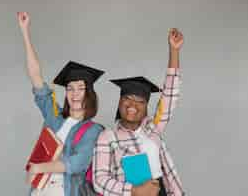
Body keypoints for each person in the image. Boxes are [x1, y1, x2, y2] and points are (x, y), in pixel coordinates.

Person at [17, 12, 104, 196]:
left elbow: (76, 164)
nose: (74, 94)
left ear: (89, 93)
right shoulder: (55, 117)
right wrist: (25, 32)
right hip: (39, 191)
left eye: (80, 88)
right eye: (70, 88)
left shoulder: (93, 130)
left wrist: (38, 168)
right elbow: (36, 79)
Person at [92, 28, 185, 196]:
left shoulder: (153, 127)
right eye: (127, 98)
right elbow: (99, 180)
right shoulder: (107, 137)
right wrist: (134, 190)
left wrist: (174, 51)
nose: (132, 104)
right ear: (119, 102)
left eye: (140, 101)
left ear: (146, 108)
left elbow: (170, 96)